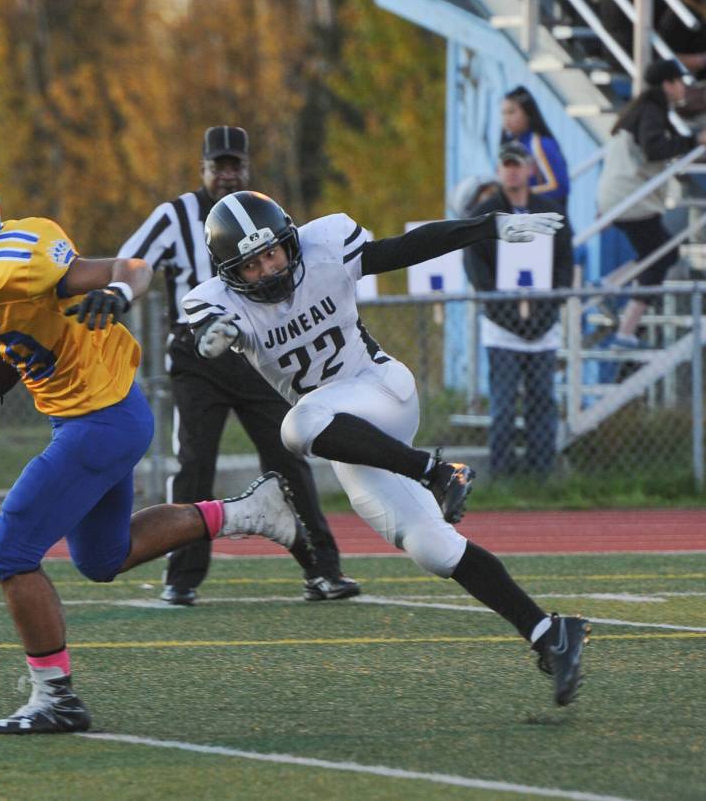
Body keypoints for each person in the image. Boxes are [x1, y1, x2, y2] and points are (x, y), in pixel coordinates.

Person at [0, 167, 312, 734]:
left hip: (103, 421)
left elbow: (128, 267)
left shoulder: (21, 257)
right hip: (85, 419)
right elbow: (2, 323)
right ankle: (247, 512)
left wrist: (116, 292)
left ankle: (56, 697)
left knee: (9, 554)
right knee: (102, 558)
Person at [184, 189, 589, 706]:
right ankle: (550, 634)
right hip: (348, 436)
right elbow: (206, 330)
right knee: (433, 548)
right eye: (253, 265)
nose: (269, 268)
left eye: (274, 253)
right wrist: (209, 336)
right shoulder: (218, 303)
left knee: (295, 427)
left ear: (289, 240)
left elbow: (405, 248)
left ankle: (437, 472)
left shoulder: (325, 246)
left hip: (382, 393)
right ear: (229, 273)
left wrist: (487, 225)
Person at [117, 126, 357, 605]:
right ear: (202, 168)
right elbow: (132, 260)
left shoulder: (262, 209)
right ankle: (181, 577)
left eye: (235, 166)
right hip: (197, 358)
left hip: (258, 353)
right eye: (218, 167)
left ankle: (323, 569)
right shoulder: (176, 214)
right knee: (193, 465)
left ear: (247, 167)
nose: (227, 175)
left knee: (289, 456)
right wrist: (119, 292)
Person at [463, 143, 574, 477]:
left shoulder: (549, 211)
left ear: (530, 170)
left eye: (518, 165)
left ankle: (541, 474)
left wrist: (549, 307)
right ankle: (502, 475)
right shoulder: (485, 214)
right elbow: (476, 267)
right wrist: (502, 310)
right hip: (501, 328)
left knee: (543, 400)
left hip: (543, 325)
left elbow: (563, 263)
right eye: (506, 165)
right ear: (499, 171)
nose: (512, 171)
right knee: (503, 404)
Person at [597, 59, 706, 352]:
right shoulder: (652, 110)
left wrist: (691, 141)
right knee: (661, 256)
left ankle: (609, 285)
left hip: (623, 196)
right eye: (680, 81)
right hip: (631, 197)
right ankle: (625, 330)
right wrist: (695, 140)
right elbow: (654, 147)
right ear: (667, 83)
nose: (684, 87)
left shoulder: (646, 108)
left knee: (658, 254)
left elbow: (656, 144)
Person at [501, 86, 570, 205]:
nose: (506, 119)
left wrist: (520, 194)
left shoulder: (541, 144)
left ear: (528, 113)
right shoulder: (510, 146)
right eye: (503, 113)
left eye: (511, 112)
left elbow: (559, 187)